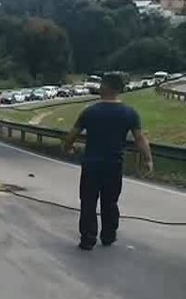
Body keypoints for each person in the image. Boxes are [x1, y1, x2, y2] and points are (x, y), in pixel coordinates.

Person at [61, 72, 154, 251]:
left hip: (91, 164)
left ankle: (88, 238)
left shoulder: (90, 111)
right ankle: (108, 235)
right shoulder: (129, 113)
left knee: (88, 201)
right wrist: (148, 159)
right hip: (114, 165)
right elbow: (140, 138)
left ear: (106, 87)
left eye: (101, 84)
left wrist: (67, 148)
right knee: (110, 201)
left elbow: (72, 135)